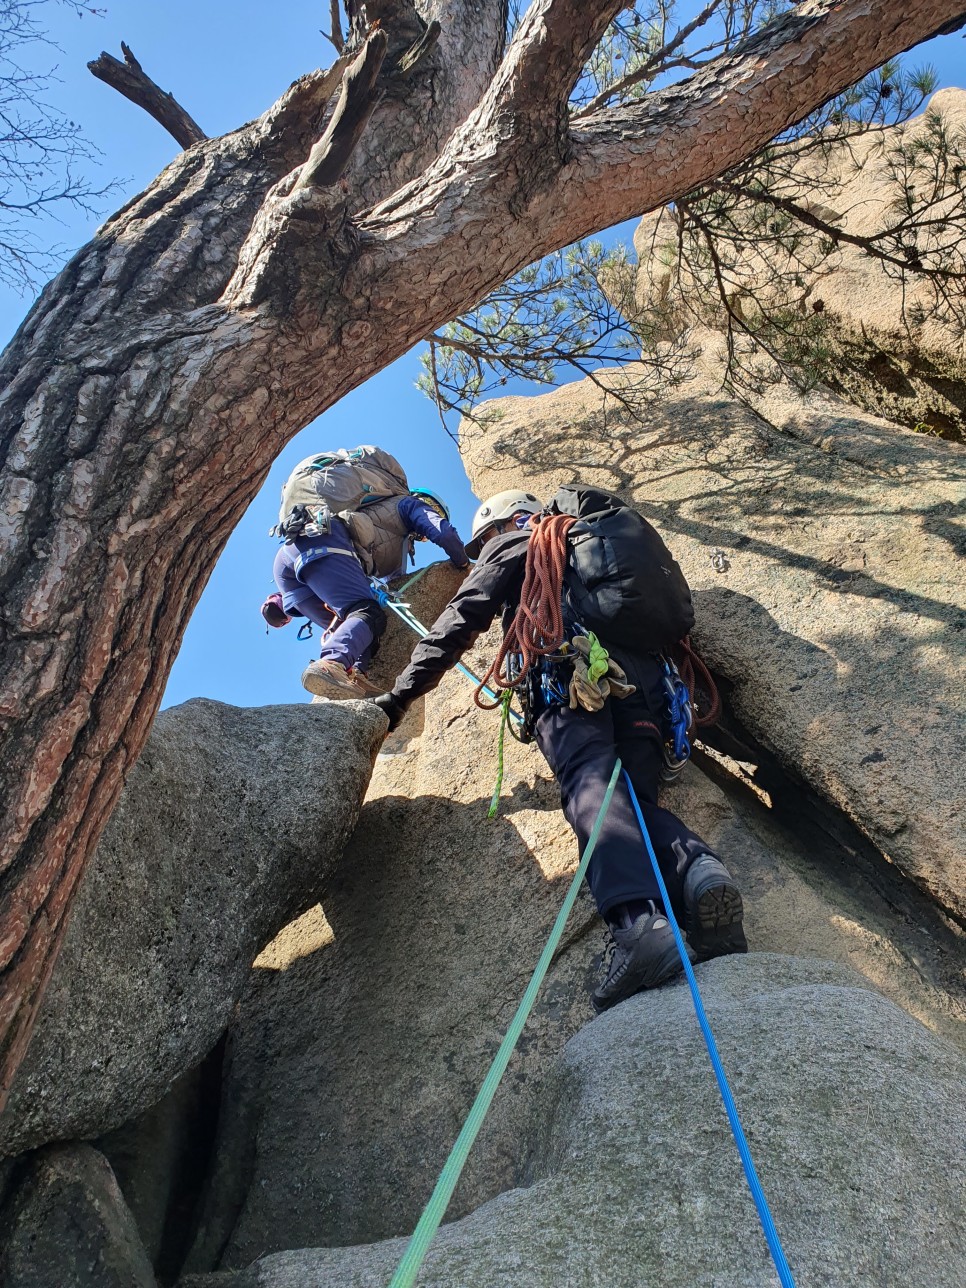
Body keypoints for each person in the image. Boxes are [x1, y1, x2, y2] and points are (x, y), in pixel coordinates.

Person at [373, 488, 747, 1013]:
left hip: (568, 680)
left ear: (504, 524)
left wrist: (397, 699)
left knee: (590, 782)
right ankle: (700, 872)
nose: (482, 551)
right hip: (649, 693)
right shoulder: (589, 543)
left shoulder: (522, 543)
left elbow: (460, 620)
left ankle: (638, 927)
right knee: (637, 803)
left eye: (484, 541)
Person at [272, 485, 469, 701]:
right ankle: (332, 663)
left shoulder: (392, 536)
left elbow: (393, 582)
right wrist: (464, 563)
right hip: (321, 540)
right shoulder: (406, 504)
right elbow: (444, 532)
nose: (420, 537)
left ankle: (354, 677)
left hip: (290, 562)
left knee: (362, 627)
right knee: (368, 614)